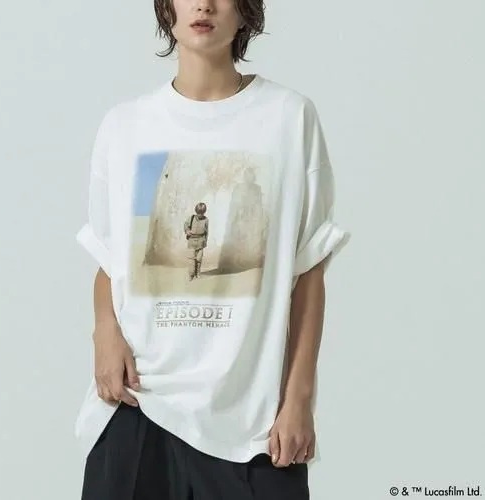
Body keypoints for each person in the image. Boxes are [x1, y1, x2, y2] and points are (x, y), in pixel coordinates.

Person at [75, 0, 351, 498]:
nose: (204, 5)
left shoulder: (288, 118)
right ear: (167, 8)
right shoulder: (124, 126)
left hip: (253, 426)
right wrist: (104, 333)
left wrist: (298, 399)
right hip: (138, 407)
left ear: (246, 11)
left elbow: (308, 271)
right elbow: (109, 262)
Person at [184, 202, 209, 280]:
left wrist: (205, 241)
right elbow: (186, 225)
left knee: (199, 259)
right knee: (191, 259)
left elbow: (206, 232)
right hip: (191, 241)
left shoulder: (206, 220)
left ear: (204, 212)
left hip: (201, 242)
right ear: (196, 211)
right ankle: (191, 275)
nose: (200, 215)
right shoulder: (191, 218)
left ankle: (197, 273)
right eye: (198, 213)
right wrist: (187, 231)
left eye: (202, 213)